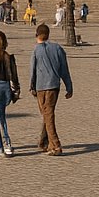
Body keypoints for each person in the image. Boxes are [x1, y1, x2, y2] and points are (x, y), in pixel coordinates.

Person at [28, 23, 73, 156]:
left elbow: (32, 70)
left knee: (48, 114)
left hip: (41, 86)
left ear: (37, 35)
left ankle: (56, 145)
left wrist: (31, 86)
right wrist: (69, 86)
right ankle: (44, 142)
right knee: (47, 114)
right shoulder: (58, 48)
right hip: (54, 86)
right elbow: (64, 69)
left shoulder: (36, 50)